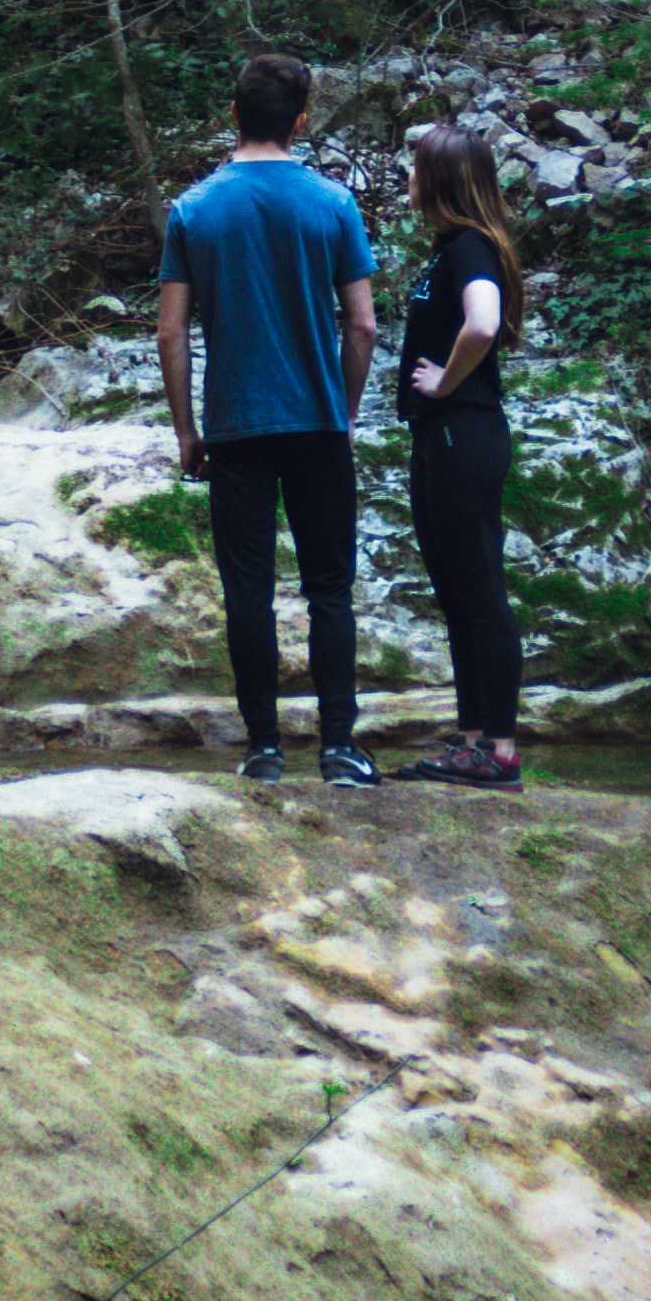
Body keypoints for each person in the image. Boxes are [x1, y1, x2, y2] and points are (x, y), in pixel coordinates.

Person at [155, 54, 380, 787]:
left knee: (247, 592)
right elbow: (363, 327)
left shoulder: (193, 210)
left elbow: (170, 334)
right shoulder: (333, 204)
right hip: (316, 422)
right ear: (303, 120)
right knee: (329, 590)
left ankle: (264, 750)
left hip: (235, 428)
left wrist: (188, 431)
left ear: (233, 115)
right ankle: (340, 748)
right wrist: (343, 411)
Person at [390, 118, 527, 787]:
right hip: (445, 435)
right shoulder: (454, 247)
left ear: (441, 180)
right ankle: (473, 738)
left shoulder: (469, 246)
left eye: (416, 167)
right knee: (457, 590)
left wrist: (445, 380)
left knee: (479, 588)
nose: (407, 178)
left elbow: (483, 322)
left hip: (460, 429)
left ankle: (498, 748)